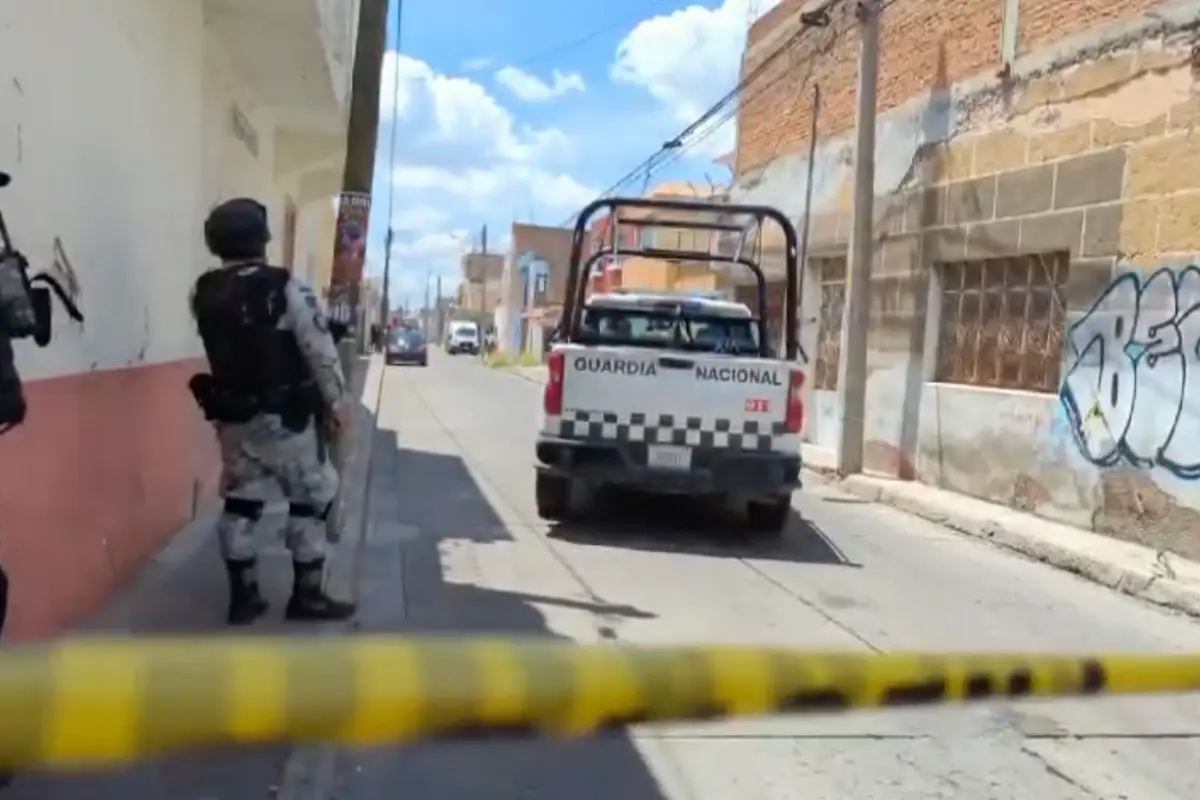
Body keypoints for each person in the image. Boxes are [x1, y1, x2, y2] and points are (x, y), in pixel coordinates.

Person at [189, 197, 357, 625]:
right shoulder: (285, 287)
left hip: (231, 416)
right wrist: (337, 403)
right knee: (313, 496)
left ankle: (243, 598)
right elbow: (318, 349)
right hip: (286, 418)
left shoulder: (203, 292)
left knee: (241, 501)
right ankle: (308, 596)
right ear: (261, 240)